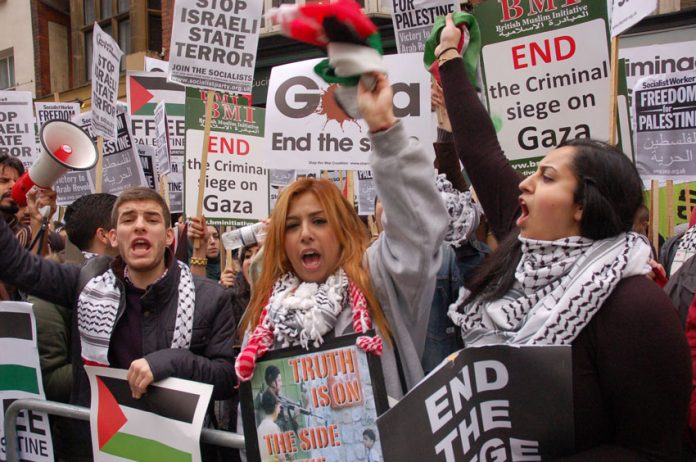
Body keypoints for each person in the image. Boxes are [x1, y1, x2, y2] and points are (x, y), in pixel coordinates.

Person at [436, 13, 690, 460]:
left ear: (582, 206)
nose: (524, 185)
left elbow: (656, 451)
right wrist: (450, 56)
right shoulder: (520, 251)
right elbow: (480, 150)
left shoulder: (636, 307)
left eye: (546, 176)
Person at [235, 72, 448, 402]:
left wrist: (384, 132)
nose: (305, 234)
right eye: (292, 226)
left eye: (319, 221)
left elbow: (417, 229)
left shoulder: (377, 281)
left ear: (342, 230)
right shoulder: (265, 316)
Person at [0, 186, 237, 460]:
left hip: (175, 450)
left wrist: (171, 362)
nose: (139, 226)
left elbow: (225, 379)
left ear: (169, 235)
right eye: (128, 219)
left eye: (151, 219)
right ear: (113, 237)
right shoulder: (84, 284)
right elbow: (17, 266)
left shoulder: (210, 298)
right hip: (96, 448)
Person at [256, 390, 286, 462]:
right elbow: (281, 456)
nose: (279, 410)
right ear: (275, 407)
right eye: (279, 407)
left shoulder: (259, 427)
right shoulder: (273, 427)